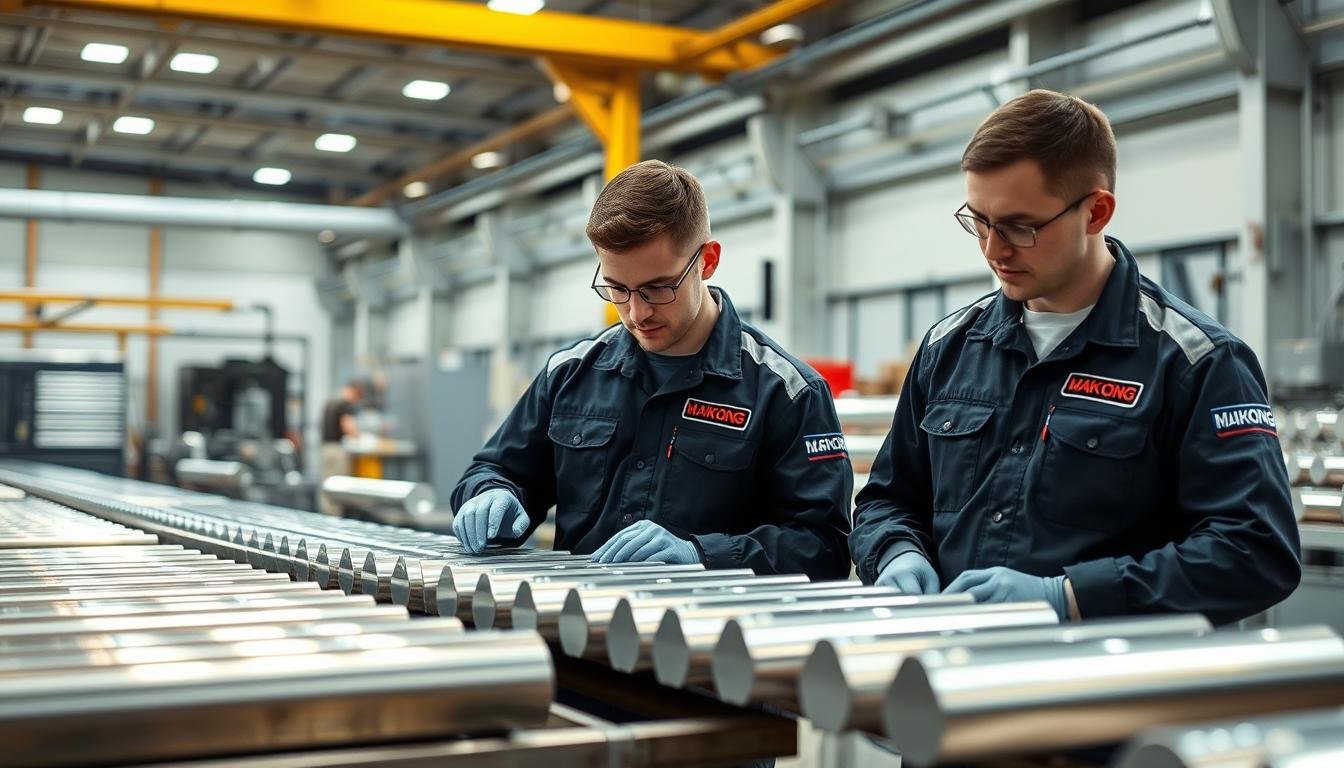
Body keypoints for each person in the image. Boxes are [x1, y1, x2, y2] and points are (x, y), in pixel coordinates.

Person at [849, 89, 1301, 625]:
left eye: (1020, 226)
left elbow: (1254, 552)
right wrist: (896, 552)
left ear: (1096, 211)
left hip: (1108, 691)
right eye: (979, 222)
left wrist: (1071, 597)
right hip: (950, 670)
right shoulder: (948, 349)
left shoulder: (1195, 363)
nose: (994, 249)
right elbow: (885, 500)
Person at [451, 159, 852, 579]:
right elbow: (495, 468)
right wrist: (490, 494)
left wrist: (701, 554)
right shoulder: (571, 373)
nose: (636, 312)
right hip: (573, 630)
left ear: (707, 261)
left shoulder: (786, 392)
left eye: (658, 288)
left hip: (711, 635)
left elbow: (824, 547)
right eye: (617, 289)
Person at [316, 379, 362, 516]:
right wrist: (361, 438)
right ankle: (335, 519)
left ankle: (326, 516)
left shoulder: (331, 401)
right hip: (336, 451)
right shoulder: (345, 404)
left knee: (326, 484)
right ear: (354, 392)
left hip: (325, 449)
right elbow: (348, 426)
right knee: (338, 485)